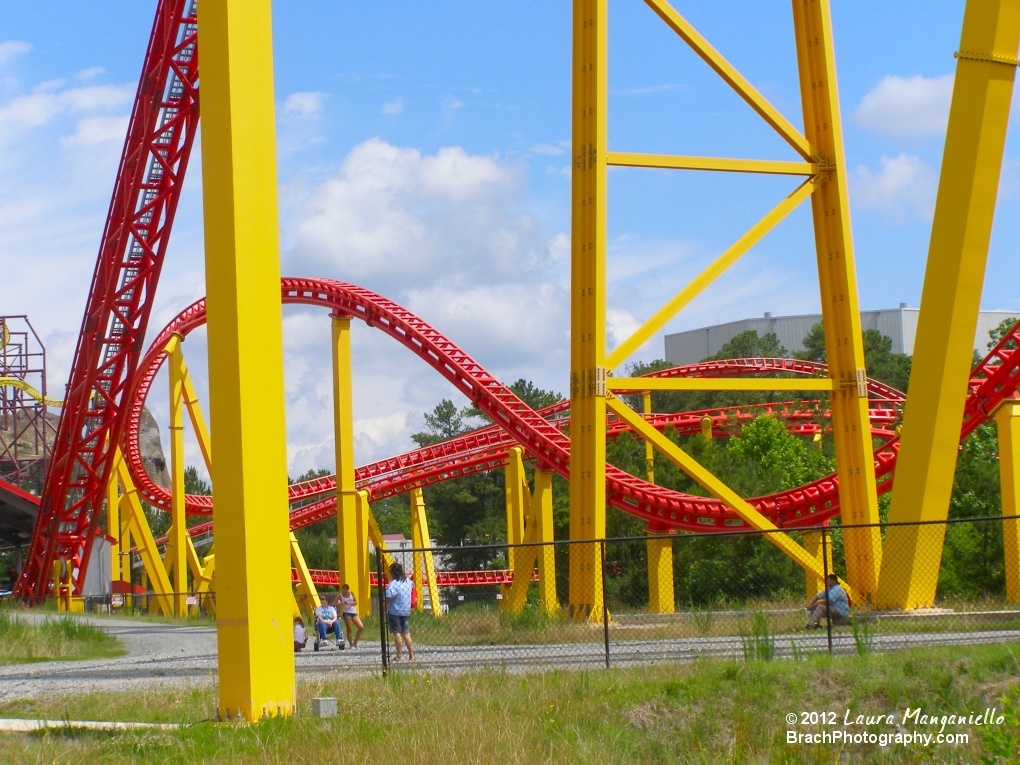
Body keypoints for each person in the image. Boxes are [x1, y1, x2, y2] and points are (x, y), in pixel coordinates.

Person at [384, 562, 415, 661]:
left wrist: (385, 608)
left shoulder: (392, 584)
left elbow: (388, 599)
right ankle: (411, 655)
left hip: (395, 610)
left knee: (397, 633)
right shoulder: (408, 582)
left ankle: (399, 655)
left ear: (392, 572)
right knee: (406, 632)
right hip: (406, 609)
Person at [335, 583, 364, 649]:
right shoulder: (340, 595)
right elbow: (334, 603)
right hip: (346, 613)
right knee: (349, 629)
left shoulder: (351, 593)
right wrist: (340, 603)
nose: (344, 593)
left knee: (361, 627)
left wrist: (349, 603)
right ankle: (351, 644)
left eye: (345, 591)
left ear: (348, 590)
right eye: (343, 591)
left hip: (353, 612)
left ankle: (355, 642)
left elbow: (356, 602)